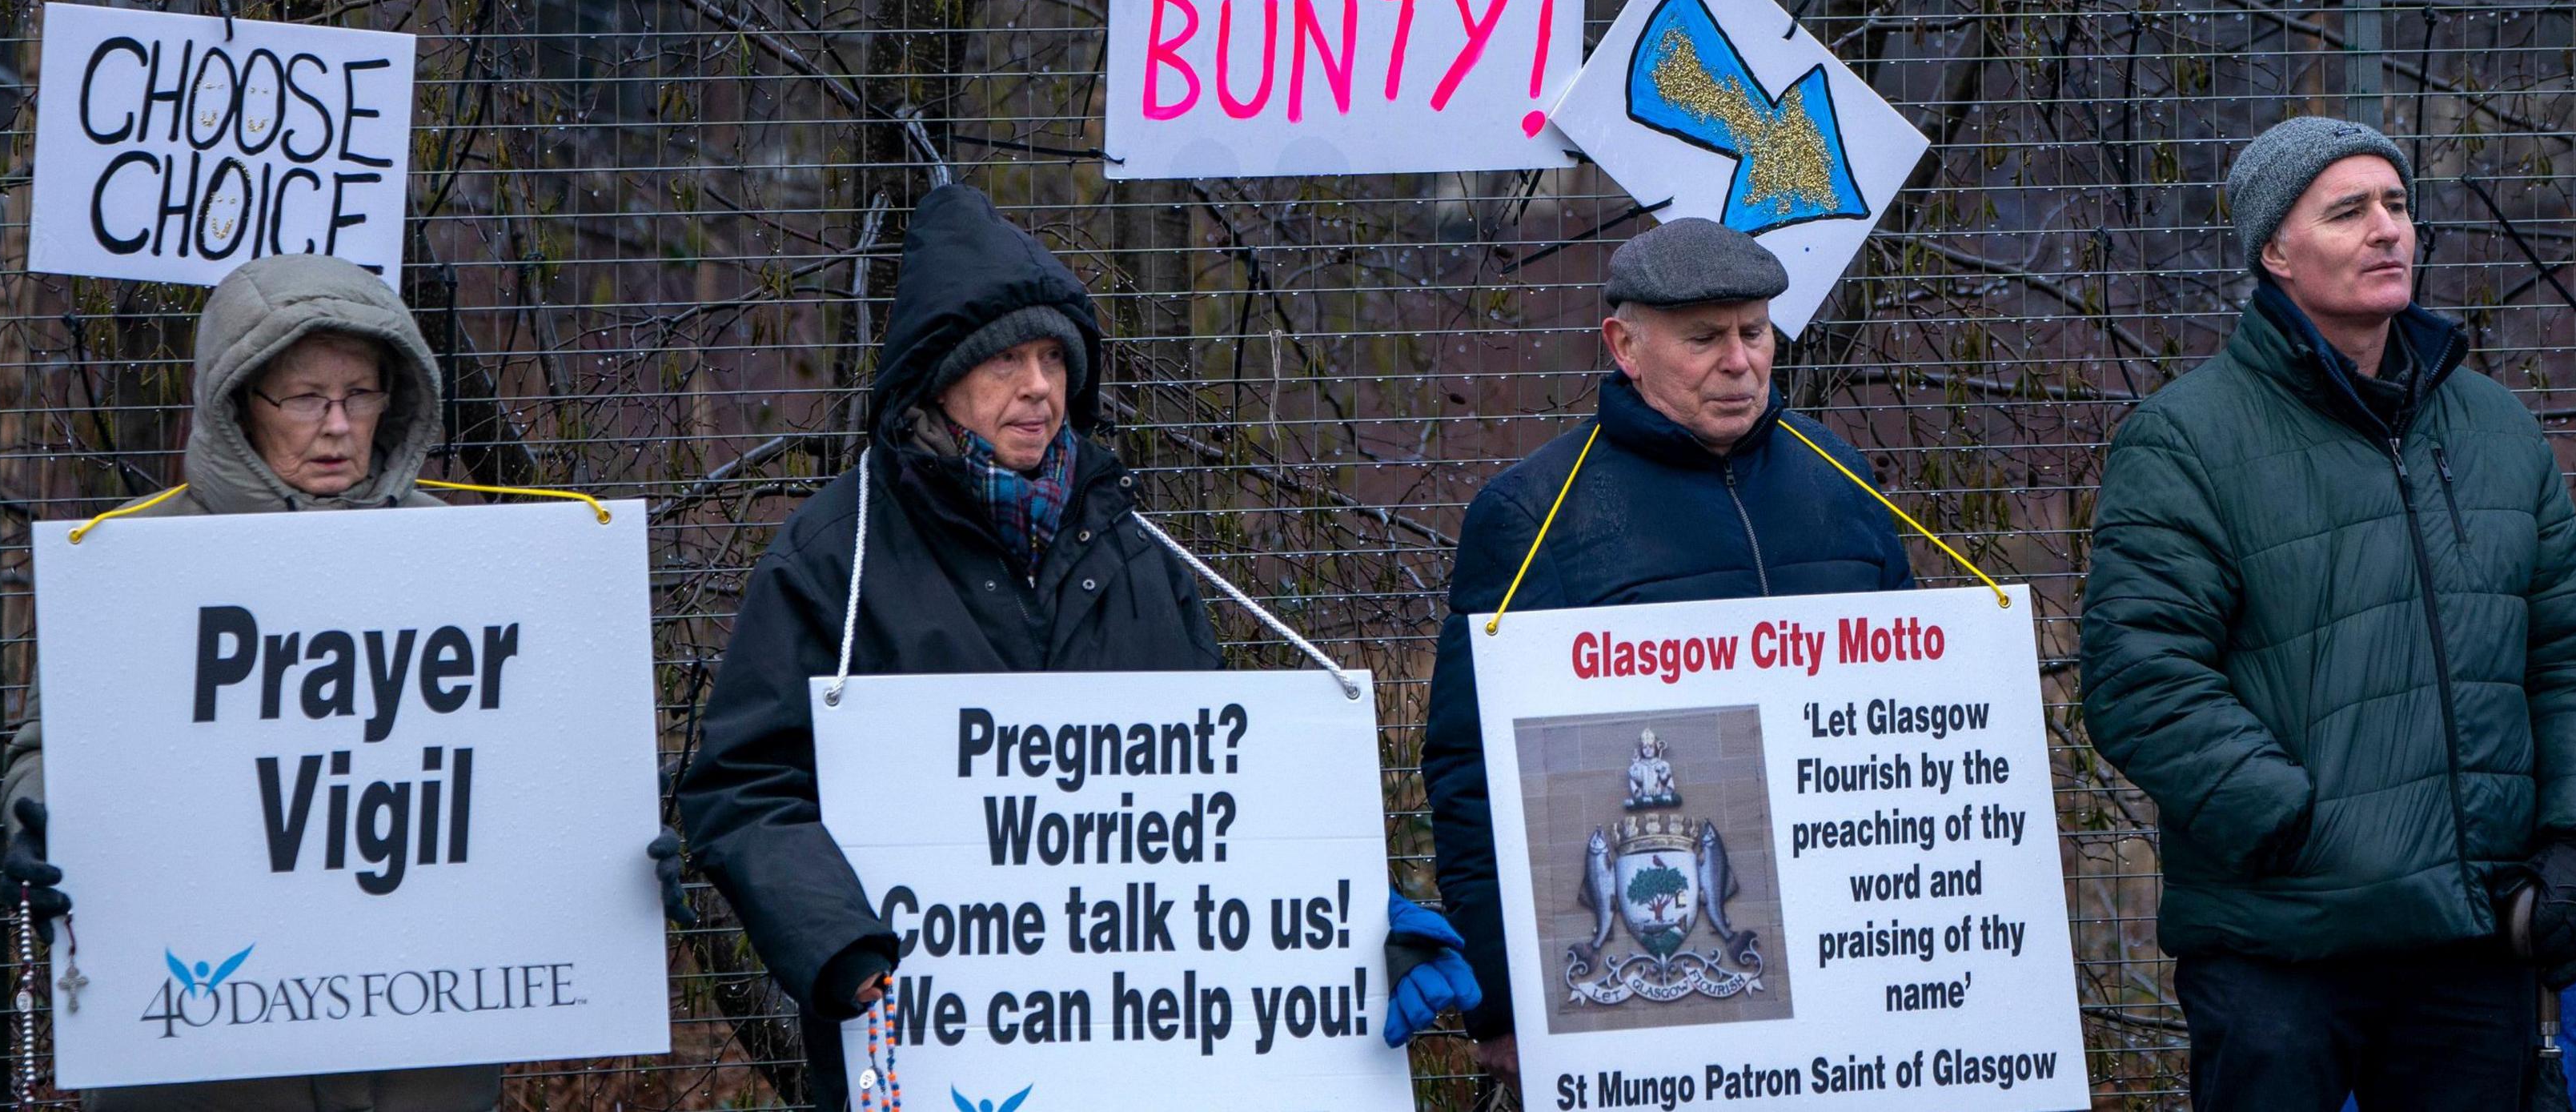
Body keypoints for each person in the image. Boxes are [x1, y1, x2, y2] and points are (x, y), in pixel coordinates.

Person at [680, 183, 1478, 1111]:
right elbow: (742, 786)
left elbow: (1221, 808)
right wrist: (838, 940)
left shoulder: (1140, 552)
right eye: (1007, 359)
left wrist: (1354, 924)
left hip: (1139, 1058)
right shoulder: (836, 557)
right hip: (921, 1048)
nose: (1039, 386)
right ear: (939, 378)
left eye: (1054, 356)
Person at [0, 254, 688, 1112]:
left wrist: (610, 824)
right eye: (304, 397)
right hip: (209, 1065)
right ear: (239, 399)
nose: (336, 424)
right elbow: (50, 751)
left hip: (423, 1058)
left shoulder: (475, 556)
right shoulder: (137, 561)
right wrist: (39, 831)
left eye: (360, 393)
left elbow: (527, 748)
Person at [2078, 117, 2576, 1112]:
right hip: (2279, 946)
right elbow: (2142, 680)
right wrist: (2302, 824)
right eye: (2348, 211)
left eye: (2396, 204)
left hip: (2471, 943)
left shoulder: (2496, 427)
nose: (2388, 229)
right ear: (2274, 250)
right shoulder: (2186, 439)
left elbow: (2573, 661)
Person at [1420, 219, 1920, 1085]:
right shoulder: (1536, 515)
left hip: (1853, 966)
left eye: (1754, 331)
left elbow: (1913, 720)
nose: (1740, 360)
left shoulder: (1842, 481)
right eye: (1704, 338)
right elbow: (1472, 772)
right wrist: (1502, 1000)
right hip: (1647, 989)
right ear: (1625, 345)